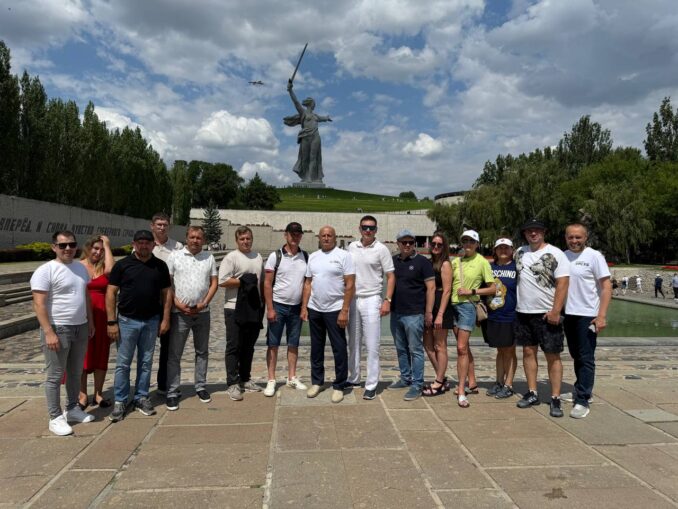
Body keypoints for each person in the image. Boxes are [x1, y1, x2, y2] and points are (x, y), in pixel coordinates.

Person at [31, 231, 95, 436]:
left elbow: (85, 296)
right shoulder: (45, 270)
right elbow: (39, 304)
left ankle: (72, 408)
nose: (68, 249)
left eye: (72, 244)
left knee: (75, 372)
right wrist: (48, 332)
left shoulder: (80, 268)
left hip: (80, 326)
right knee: (55, 375)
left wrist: (90, 321)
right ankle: (55, 417)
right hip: (59, 328)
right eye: (63, 245)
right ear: (54, 247)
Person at [107, 230, 172, 421]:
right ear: (133, 244)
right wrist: (111, 321)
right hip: (127, 321)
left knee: (146, 362)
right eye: (140, 242)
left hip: (151, 321)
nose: (144, 246)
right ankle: (120, 400)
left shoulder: (160, 266)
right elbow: (111, 293)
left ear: (153, 245)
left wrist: (165, 319)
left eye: (147, 242)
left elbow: (167, 294)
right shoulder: (122, 265)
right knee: (123, 363)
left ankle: (141, 397)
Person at [514, 218, 569, 418]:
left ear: (544, 232)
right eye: (529, 231)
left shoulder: (556, 253)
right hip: (523, 311)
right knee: (528, 352)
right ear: (525, 234)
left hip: (547, 313)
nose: (533, 233)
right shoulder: (519, 252)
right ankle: (532, 392)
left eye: (537, 230)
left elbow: (563, 283)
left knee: (552, 355)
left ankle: (555, 397)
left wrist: (556, 311)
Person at [164, 226, 218, 411]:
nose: (195, 240)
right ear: (186, 238)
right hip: (180, 313)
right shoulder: (175, 256)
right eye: (192, 237)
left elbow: (214, 283)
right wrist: (177, 303)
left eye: (199, 238)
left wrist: (204, 303)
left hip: (202, 313)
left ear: (204, 240)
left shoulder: (209, 257)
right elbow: (168, 284)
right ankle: (172, 391)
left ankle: (200, 386)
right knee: (175, 354)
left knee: (202, 351)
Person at [562, 223, 611, 419]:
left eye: (578, 237)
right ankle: (581, 388)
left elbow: (606, 287)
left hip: (587, 314)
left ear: (585, 238)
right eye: (570, 237)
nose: (574, 241)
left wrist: (601, 315)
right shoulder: (563, 256)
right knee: (576, 354)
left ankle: (583, 399)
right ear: (566, 238)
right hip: (568, 313)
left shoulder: (594, 256)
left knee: (586, 357)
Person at [301, 226, 355, 403]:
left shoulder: (344, 256)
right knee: (316, 348)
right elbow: (308, 283)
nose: (326, 238)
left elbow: (350, 284)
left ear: (335, 237)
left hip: (335, 309)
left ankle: (339, 385)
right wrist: (304, 307)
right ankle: (317, 382)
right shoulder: (313, 257)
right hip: (315, 308)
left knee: (339, 348)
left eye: (329, 235)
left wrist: (345, 310)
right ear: (319, 238)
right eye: (323, 235)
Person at [347, 215, 395, 400]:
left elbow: (390, 276)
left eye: (372, 228)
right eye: (365, 227)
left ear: (376, 230)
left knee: (372, 344)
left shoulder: (381, 249)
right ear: (359, 229)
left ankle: (371, 384)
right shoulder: (352, 247)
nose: (368, 231)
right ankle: (354, 377)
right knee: (353, 342)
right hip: (354, 298)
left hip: (372, 298)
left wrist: (387, 300)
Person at [262, 222, 309, 397]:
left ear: (301, 236)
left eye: (298, 234)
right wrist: (270, 308)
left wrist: (304, 307)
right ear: (286, 235)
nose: (295, 237)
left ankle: (291, 377)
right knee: (273, 344)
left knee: (293, 343)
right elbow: (267, 284)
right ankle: (271, 379)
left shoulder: (305, 256)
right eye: (292, 234)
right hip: (278, 305)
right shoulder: (275, 256)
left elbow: (307, 284)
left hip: (296, 308)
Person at [450, 230, 496, 408]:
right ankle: (472, 381)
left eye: (471, 241)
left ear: (477, 244)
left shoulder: (482, 261)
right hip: (453, 306)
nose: (467, 244)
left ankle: (461, 389)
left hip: (467, 307)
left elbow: (492, 288)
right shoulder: (456, 262)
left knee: (461, 348)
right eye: (465, 241)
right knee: (465, 348)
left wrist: (472, 291)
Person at [218, 226, 264, 401]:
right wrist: (243, 282)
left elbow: (260, 282)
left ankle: (245, 378)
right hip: (234, 307)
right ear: (237, 240)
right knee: (234, 346)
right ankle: (232, 382)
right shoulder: (231, 257)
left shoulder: (257, 257)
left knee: (248, 346)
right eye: (242, 239)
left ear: (252, 239)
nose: (246, 241)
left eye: (248, 238)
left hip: (253, 306)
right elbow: (222, 280)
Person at [389, 229, 435, 402]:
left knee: (415, 350)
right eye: (404, 242)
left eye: (410, 242)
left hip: (414, 313)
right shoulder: (393, 261)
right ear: (398, 244)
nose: (407, 245)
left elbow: (431, 288)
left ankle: (417, 384)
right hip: (396, 312)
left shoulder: (423, 262)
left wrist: (428, 312)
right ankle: (405, 377)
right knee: (401, 348)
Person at [78, 235, 115, 409]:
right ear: (88, 248)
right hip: (82, 315)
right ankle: (82, 394)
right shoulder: (78, 266)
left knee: (101, 353)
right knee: (82, 355)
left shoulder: (104, 268)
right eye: (95, 248)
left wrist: (107, 245)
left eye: (101, 249)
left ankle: (98, 394)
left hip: (102, 315)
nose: (98, 252)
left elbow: (112, 270)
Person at [150, 212, 183, 396]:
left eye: (165, 224)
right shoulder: (145, 244)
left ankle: (164, 384)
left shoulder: (177, 247)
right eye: (159, 224)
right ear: (152, 226)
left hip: (169, 302)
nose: (162, 227)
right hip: (149, 302)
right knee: (146, 349)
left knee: (168, 348)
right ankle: (141, 389)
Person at [482, 238, 518, 400]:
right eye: (500, 248)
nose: (503, 250)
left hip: (511, 315)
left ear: (512, 250)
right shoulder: (490, 267)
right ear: (495, 250)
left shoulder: (516, 268)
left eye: (506, 247)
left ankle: (508, 384)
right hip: (493, 315)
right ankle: (499, 381)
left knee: (509, 350)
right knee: (500, 350)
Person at [422, 231, 453, 397]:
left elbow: (447, 290)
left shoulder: (445, 264)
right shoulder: (428, 263)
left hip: (441, 306)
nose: (435, 246)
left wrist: (440, 314)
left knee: (440, 345)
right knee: (428, 345)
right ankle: (442, 378)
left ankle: (439, 382)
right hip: (429, 305)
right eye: (433, 244)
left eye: (439, 244)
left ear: (444, 246)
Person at [284, 81, 332, 183]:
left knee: (313, 157)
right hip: (305, 137)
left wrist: (327, 118)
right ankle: (305, 177)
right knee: (305, 158)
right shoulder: (303, 113)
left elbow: (323, 118)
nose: (315, 105)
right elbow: (296, 102)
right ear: (311, 104)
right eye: (314, 103)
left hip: (315, 136)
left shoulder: (315, 116)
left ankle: (311, 177)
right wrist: (290, 90)